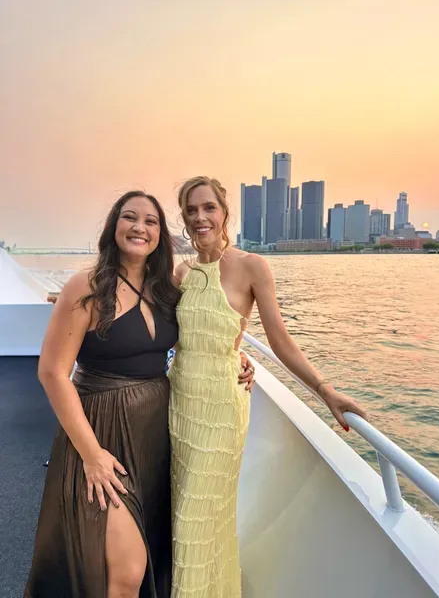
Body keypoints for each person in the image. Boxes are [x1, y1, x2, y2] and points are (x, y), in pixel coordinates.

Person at [25, 190, 254, 598]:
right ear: (114, 227)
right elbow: (53, 373)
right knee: (128, 569)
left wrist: (235, 356)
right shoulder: (87, 286)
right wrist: (92, 455)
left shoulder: (165, 289)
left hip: (154, 436)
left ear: (160, 235)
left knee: (149, 555)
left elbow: (196, 337)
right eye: (129, 217)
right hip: (100, 431)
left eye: (151, 221)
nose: (140, 227)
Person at [168, 176, 368, 598]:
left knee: (194, 519)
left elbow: (279, 340)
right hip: (180, 403)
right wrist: (87, 300)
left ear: (224, 212)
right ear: (184, 218)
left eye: (208, 207)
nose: (200, 217)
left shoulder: (252, 266)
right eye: (191, 210)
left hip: (222, 410)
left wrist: (325, 391)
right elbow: (150, 322)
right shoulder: (180, 273)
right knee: (189, 512)